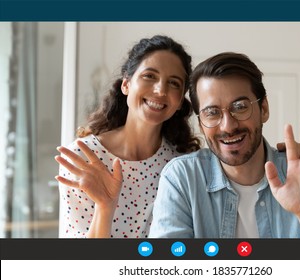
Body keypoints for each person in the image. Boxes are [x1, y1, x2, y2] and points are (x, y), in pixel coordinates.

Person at [149, 52, 300, 238]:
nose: (228, 126)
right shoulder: (182, 178)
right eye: (212, 112)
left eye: (240, 107)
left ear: (263, 108)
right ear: (201, 123)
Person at [55, 35, 201, 238]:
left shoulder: (182, 165)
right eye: (150, 76)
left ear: (179, 101)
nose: (160, 90)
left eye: (174, 83)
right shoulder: (84, 158)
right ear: (126, 84)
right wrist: (105, 207)